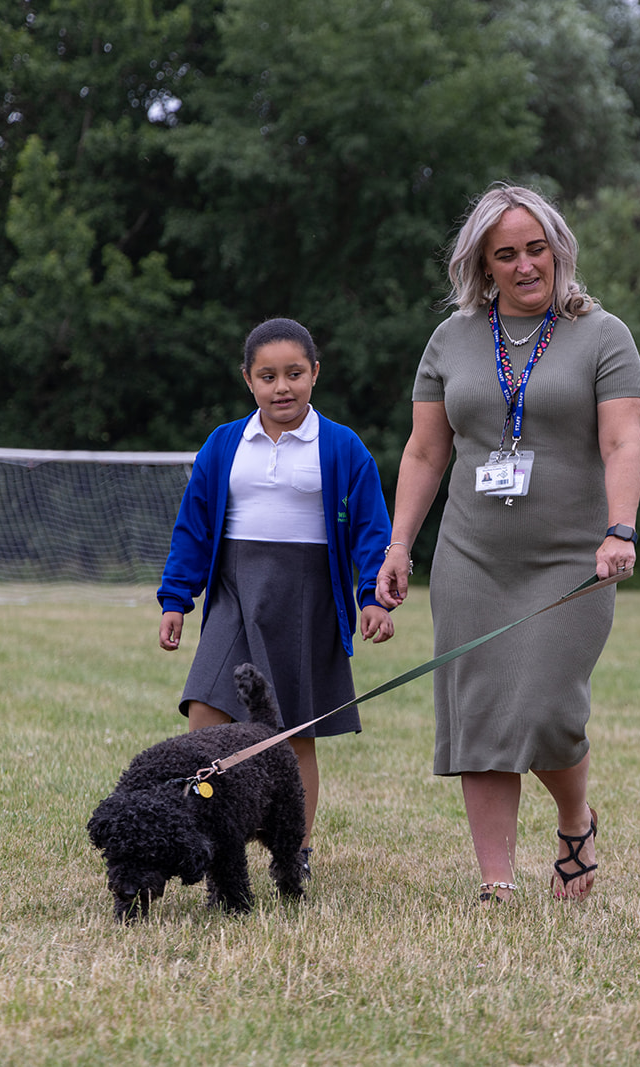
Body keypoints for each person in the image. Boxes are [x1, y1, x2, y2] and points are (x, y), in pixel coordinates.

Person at [375, 184, 640, 904]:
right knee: (481, 711)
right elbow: (426, 453)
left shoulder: (603, 334)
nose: (526, 264)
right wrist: (400, 543)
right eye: (507, 254)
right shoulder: (451, 340)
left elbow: (622, 438)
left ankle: (574, 819)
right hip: (471, 554)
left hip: (573, 557)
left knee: (549, 708)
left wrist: (621, 527)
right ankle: (496, 879)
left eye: (536, 248)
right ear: (482, 266)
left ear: (558, 248)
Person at [156, 317, 395, 882]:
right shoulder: (224, 443)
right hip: (234, 595)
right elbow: (192, 526)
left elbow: (370, 530)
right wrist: (175, 598)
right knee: (206, 717)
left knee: (292, 736)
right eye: (268, 376)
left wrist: (372, 597)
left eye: (294, 373)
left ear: (315, 373)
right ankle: (209, 842)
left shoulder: (341, 446)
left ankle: (296, 853)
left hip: (305, 600)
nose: (281, 386)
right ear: (249, 381)